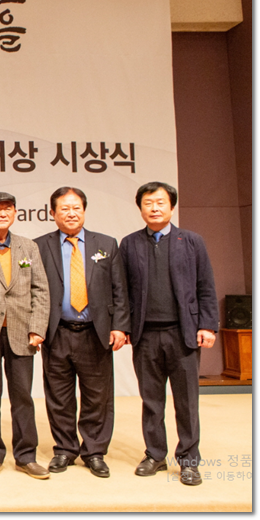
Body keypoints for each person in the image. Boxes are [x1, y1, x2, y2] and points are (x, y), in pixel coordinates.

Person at [119, 181, 218, 486]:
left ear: (172, 206)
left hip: (183, 334)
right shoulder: (130, 243)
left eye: (160, 202)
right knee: (151, 401)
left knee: (186, 402)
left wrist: (207, 324)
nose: (154, 208)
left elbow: (205, 286)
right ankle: (155, 455)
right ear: (140, 208)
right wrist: (123, 327)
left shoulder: (192, 241)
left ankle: (189, 461)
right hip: (146, 336)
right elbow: (122, 291)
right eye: (148, 203)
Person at [34, 187, 128, 478]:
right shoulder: (39, 246)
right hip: (57, 332)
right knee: (59, 396)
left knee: (97, 396)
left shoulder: (106, 244)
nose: (71, 213)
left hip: (95, 332)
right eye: (64, 208)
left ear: (84, 211)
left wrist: (119, 326)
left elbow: (119, 289)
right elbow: (33, 291)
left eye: (76, 208)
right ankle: (64, 449)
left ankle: (94, 451)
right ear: (53, 213)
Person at [0, 192, 50, 480]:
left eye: (8, 209)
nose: (2, 213)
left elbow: (41, 289)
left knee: (23, 397)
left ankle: (26, 456)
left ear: (15, 213)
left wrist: (37, 327)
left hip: (22, 333)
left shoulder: (29, 247)